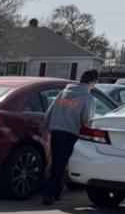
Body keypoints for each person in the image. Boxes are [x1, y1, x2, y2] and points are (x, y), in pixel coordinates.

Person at [42, 69, 99, 205]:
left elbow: (49, 113)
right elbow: (87, 120)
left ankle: (56, 192)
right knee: (60, 165)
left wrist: (49, 128)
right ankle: (49, 193)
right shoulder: (87, 97)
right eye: (96, 81)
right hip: (70, 134)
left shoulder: (64, 93)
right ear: (91, 81)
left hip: (55, 131)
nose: (95, 85)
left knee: (57, 163)